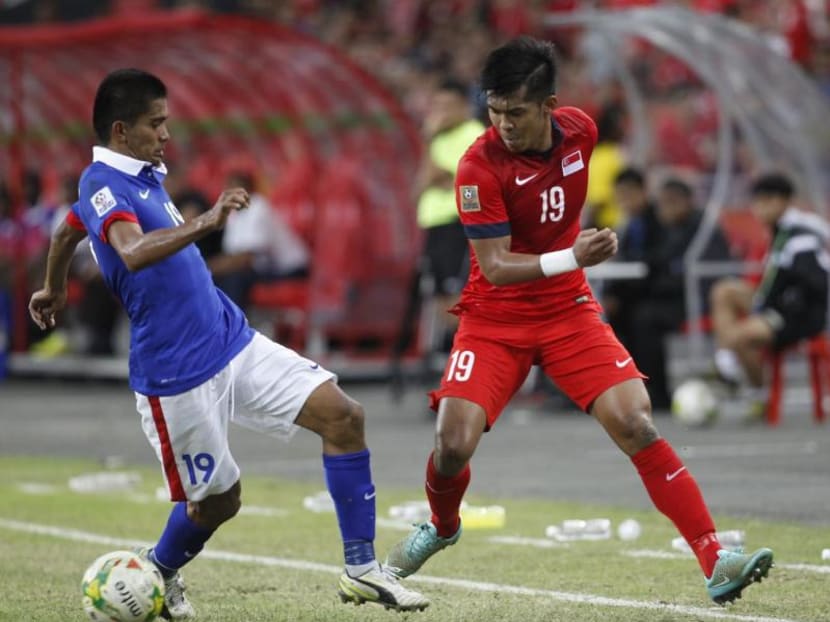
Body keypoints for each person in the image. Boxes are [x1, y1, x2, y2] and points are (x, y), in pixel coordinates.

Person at [383, 37, 773, 606]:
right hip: (495, 319)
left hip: (567, 310)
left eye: (516, 112)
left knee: (636, 422)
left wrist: (576, 256)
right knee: (452, 443)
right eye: (494, 111)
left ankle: (715, 559)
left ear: (549, 106)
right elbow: (495, 268)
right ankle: (442, 525)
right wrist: (574, 256)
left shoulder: (581, 132)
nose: (503, 124)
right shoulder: (476, 167)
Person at [28, 68, 428, 618]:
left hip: (230, 338)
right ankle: (159, 569)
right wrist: (208, 220)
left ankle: (362, 570)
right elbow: (134, 252)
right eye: (155, 123)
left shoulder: (140, 174)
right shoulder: (104, 182)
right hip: (175, 372)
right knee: (219, 502)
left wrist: (52, 286)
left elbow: (66, 229)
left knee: (343, 415)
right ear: (121, 130)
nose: (166, 133)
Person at [710, 172, 829, 416]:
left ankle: (754, 389)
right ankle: (726, 361)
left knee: (743, 335)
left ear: (782, 201)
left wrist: (772, 309)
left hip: (803, 315)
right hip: (779, 304)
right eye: (756, 202)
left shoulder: (801, 234)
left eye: (764, 202)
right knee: (724, 291)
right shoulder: (780, 230)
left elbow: (814, 284)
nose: (757, 209)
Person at [626, 177, 732, 410]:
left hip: (696, 302)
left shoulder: (703, 229)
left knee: (645, 319)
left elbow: (705, 275)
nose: (664, 210)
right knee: (629, 312)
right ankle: (637, 387)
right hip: (674, 298)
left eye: (670, 203)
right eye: (662, 204)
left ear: (685, 202)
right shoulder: (666, 229)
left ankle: (659, 392)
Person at [209, 170, 309, 310]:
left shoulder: (258, 206)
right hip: (266, 268)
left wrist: (207, 267)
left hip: (291, 269)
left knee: (236, 279)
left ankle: (234, 323)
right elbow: (232, 255)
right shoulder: (233, 215)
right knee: (220, 279)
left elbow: (245, 259)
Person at [601, 167, 662, 350]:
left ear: (642, 191)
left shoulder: (658, 219)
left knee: (640, 318)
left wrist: (618, 296)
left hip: (654, 293)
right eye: (619, 195)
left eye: (628, 194)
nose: (624, 200)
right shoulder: (625, 225)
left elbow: (655, 263)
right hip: (631, 292)